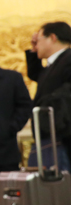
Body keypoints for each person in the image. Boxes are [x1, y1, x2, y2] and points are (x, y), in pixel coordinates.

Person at [0, 42, 32, 185]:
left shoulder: (12, 78)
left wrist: (10, 128)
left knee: (12, 190)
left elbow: (25, 106)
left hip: (5, 148)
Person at [25, 21, 71, 172]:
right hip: (51, 134)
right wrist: (33, 51)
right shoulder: (54, 63)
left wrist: (47, 103)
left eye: (38, 41)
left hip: (63, 135)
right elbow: (37, 75)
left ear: (52, 38)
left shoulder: (68, 59)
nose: (36, 45)